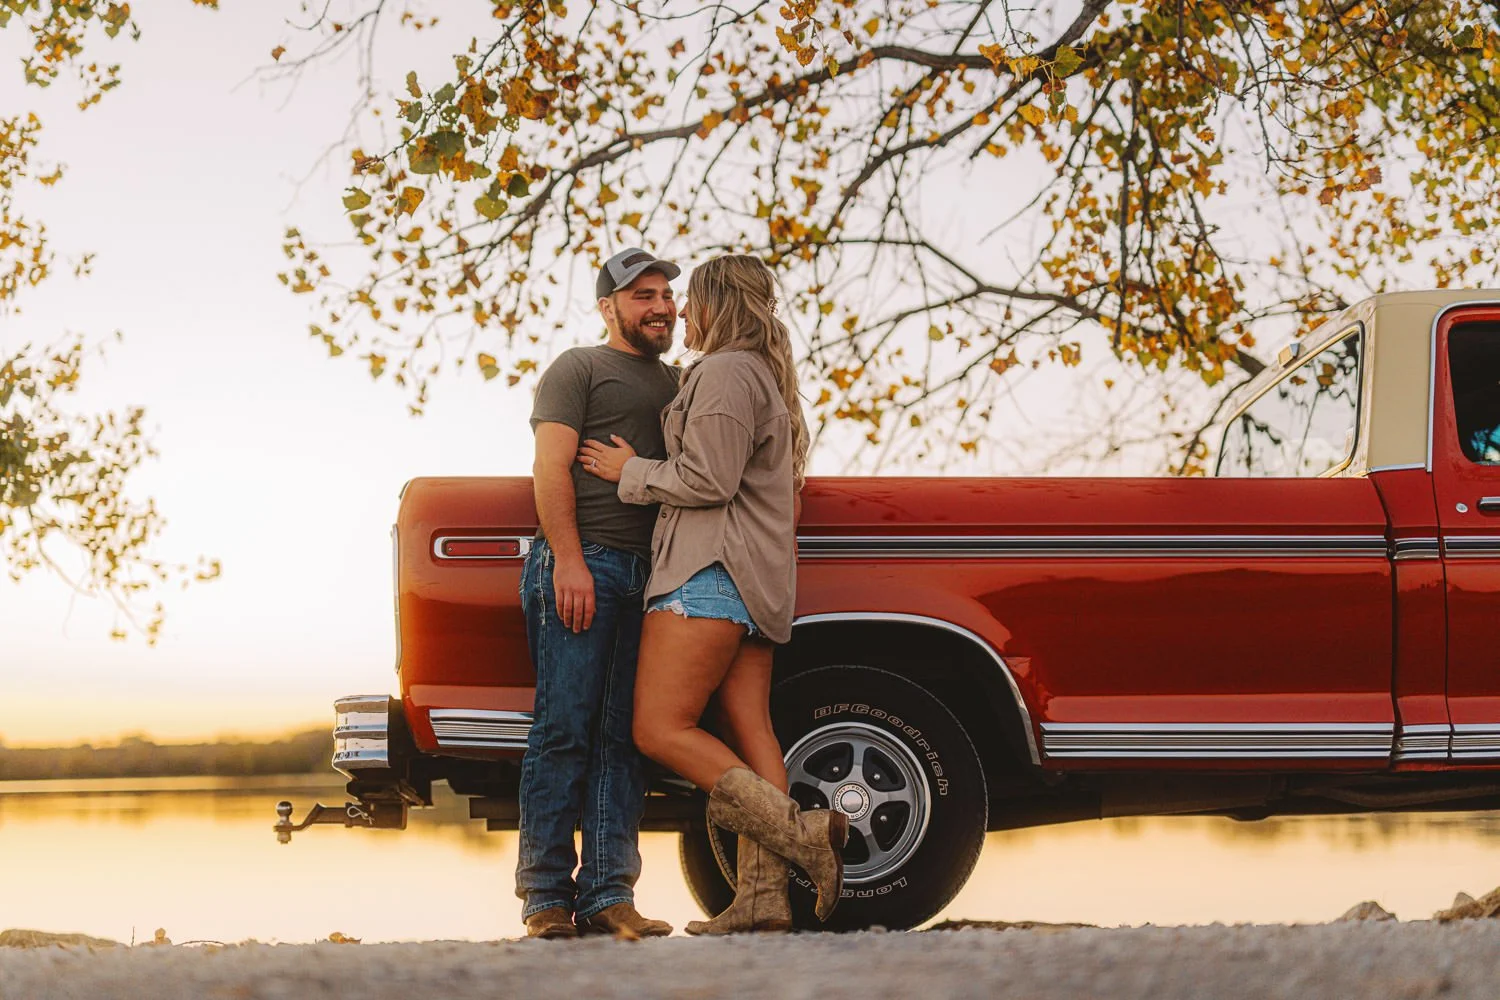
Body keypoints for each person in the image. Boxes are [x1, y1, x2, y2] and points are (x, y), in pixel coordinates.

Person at [578, 253, 845, 935]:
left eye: (691, 301)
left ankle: (805, 836)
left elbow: (707, 481)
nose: (683, 314)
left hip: (709, 575)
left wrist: (627, 470)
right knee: (751, 730)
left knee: (658, 729)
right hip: (749, 580)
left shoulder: (726, 373)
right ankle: (761, 900)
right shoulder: (763, 376)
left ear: (719, 305)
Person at [515, 248, 683, 940]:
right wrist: (569, 563)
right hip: (583, 567)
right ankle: (546, 898)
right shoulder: (577, 368)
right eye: (642, 296)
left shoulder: (680, 384)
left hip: (653, 581)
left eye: (666, 295)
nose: (660, 307)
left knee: (624, 738)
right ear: (609, 307)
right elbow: (550, 468)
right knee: (564, 729)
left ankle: (611, 894)